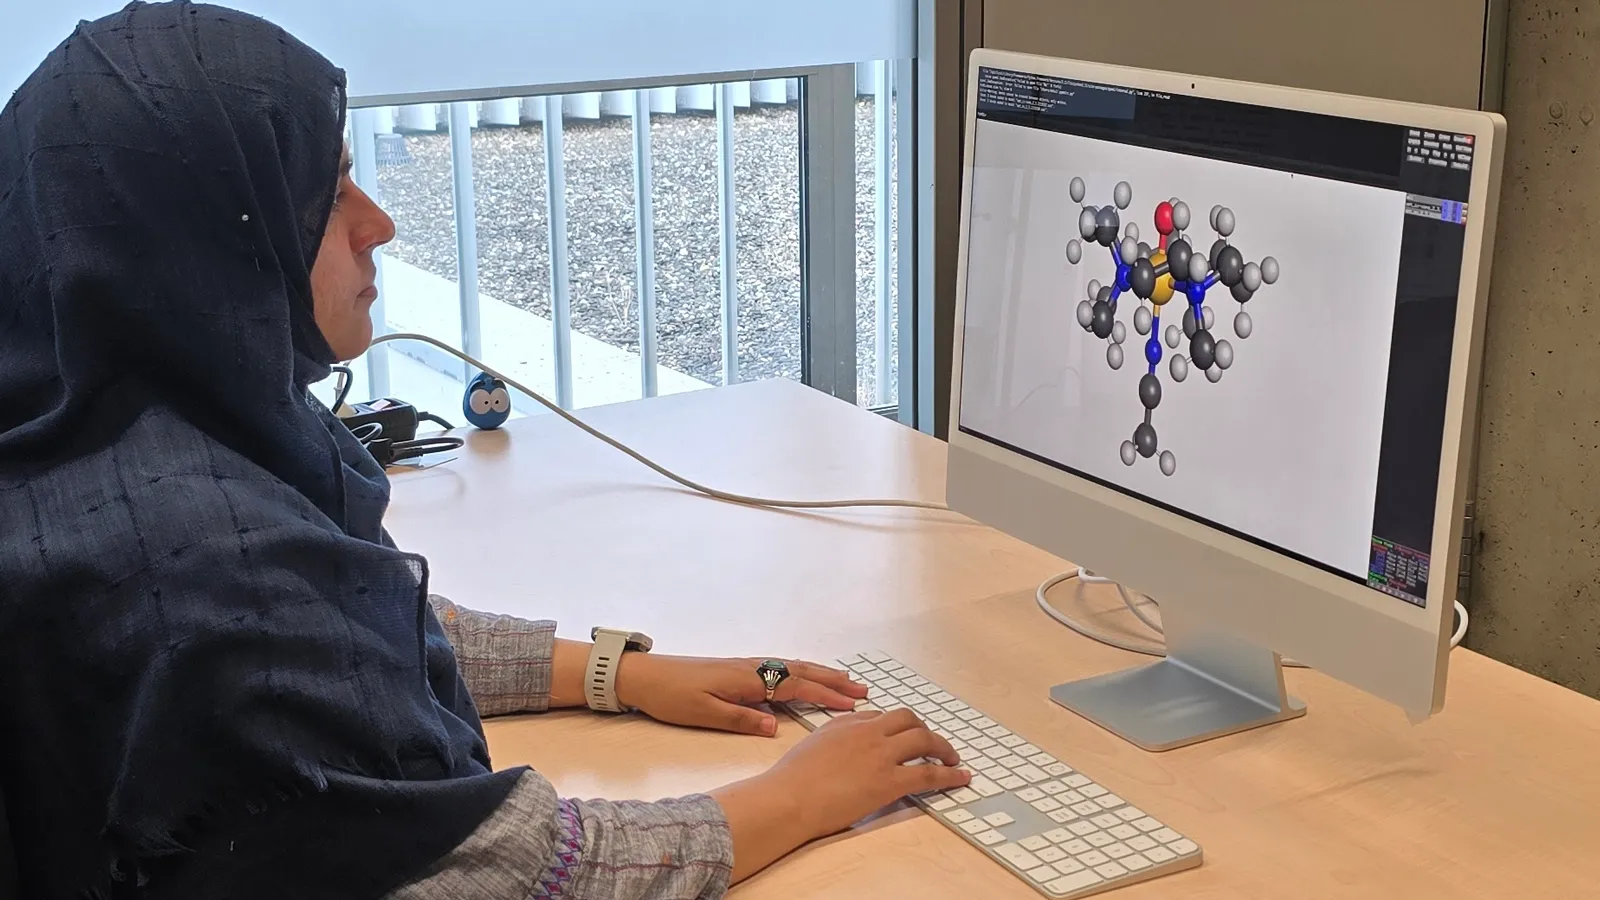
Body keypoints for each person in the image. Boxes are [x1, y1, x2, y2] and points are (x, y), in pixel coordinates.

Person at [0, 3, 972, 899]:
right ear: (208, 235)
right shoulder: (209, 569)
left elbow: (342, 630)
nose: (379, 224)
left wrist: (618, 673)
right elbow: (508, 877)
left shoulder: (95, 430)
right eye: (326, 193)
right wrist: (794, 797)